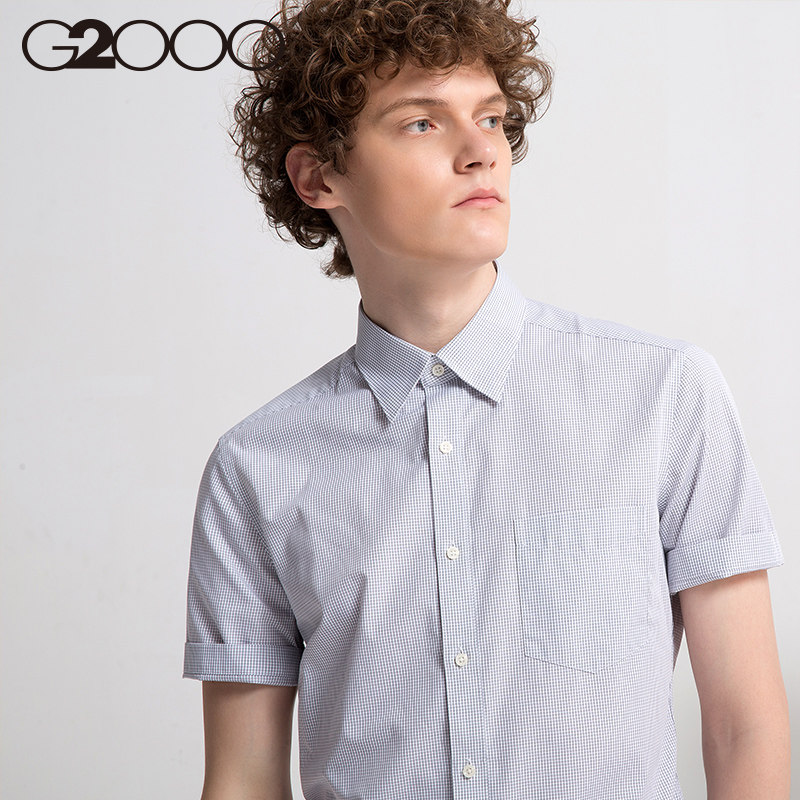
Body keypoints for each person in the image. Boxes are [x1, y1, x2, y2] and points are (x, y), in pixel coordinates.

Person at [183, 1, 790, 798]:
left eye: (493, 118)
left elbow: (744, 727)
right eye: (422, 123)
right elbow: (242, 778)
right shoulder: (255, 464)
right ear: (318, 177)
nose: (481, 152)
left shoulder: (663, 393)